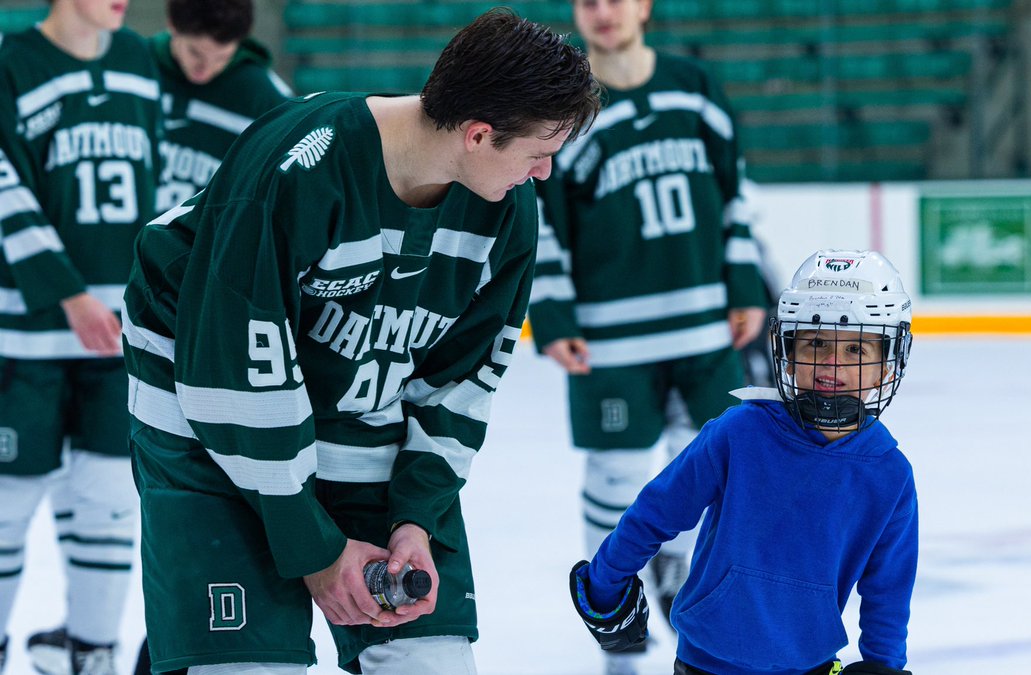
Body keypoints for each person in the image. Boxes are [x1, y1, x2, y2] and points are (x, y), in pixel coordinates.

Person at [122, 9, 599, 674]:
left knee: (430, 659)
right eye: (539, 152)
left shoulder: (508, 212)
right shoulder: (304, 165)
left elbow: (462, 382)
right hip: (207, 402)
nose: (545, 172)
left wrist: (415, 518)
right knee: (246, 663)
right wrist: (314, 548)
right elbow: (226, 373)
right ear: (479, 134)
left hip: (357, 404)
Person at [526, 0, 767, 670]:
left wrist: (744, 279)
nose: (603, 11)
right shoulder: (560, 108)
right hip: (612, 339)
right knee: (617, 476)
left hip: (704, 327)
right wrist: (551, 312)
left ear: (645, 5)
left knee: (718, 475)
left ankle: (700, 614)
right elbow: (541, 218)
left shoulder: (695, 89)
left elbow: (736, 191)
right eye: (588, 1)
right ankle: (619, 637)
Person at [568, 249, 919, 675]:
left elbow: (889, 590)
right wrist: (606, 582)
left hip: (808, 667)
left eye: (855, 349)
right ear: (787, 349)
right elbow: (656, 510)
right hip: (705, 664)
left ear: (888, 362)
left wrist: (886, 667)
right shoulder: (740, 432)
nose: (831, 364)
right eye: (817, 342)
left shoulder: (889, 474)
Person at [0, 0, 162, 673]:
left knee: (107, 503)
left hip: (115, 334)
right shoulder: (12, 63)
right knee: (7, 505)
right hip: (25, 333)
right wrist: (65, 290)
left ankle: (92, 652)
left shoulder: (139, 61)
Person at [152, 0, 293, 212]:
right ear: (172, 25)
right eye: (195, 53)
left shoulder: (264, 96)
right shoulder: (136, 66)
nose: (205, 70)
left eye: (221, 58)